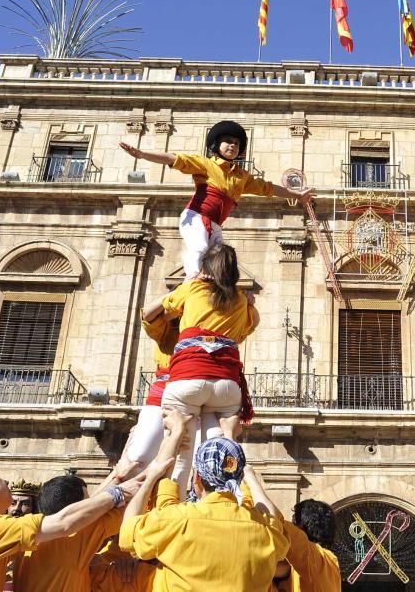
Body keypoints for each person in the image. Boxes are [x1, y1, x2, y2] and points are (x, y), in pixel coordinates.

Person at [119, 410, 290, 592]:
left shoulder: (175, 521)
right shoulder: (264, 529)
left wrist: (151, 477)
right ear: (239, 478)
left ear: (197, 478)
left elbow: (128, 531)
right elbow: (270, 516)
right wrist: (249, 476)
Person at [120, 120, 314, 279]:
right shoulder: (205, 164)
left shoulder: (241, 177)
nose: (232, 145)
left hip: (215, 225)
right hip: (196, 217)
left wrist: (297, 195)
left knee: (223, 258)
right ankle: (192, 278)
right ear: (216, 145)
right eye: (228, 141)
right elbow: (174, 159)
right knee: (200, 247)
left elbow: (268, 188)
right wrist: (143, 154)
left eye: (236, 143)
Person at [0, 463, 143, 592]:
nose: (6, 483)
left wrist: (116, 475)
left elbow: (77, 513)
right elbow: (64, 522)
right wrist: (119, 492)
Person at [154, 244, 260, 487]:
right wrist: (249, 304)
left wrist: (190, 282)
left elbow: (166, 308)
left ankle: (172, 507)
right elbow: (248, 327)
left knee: (182, 453)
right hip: (226, 386)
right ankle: (224, 498)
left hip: (187, 379)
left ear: (206, 269)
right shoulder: (241, 300)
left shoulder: (193, 288)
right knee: (219, 453)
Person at [13, 474, 127, 592]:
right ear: (75, 510)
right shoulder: (73, 541)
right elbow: (130, 511)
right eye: (87, 504)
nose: (93, 506)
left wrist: (117, 477)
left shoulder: (26, 537)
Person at [121, 303, 180, 471]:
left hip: (195, 393)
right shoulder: (166, 328)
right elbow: (147, 315)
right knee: (138, 457)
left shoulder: (209, 324)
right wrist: (183, 289)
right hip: (163, 390)